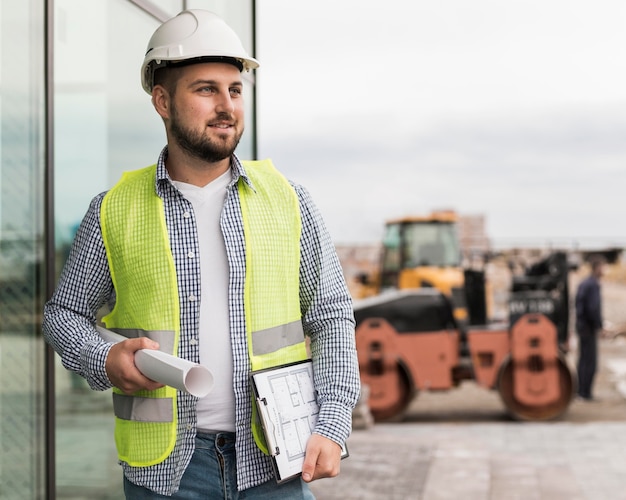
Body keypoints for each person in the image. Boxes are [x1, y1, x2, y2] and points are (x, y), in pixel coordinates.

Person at [43, 9, 360, 499]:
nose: (226, 105)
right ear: (162, 101)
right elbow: (63, 316)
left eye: (234, 90)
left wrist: (333, 421)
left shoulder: (290, 202)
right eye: (206, 89)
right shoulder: (113, 211)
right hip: (169, 472)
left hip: (276, 463)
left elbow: (332, 315)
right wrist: (105, 358)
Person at [575, 256, 605, 401]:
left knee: (583, 360)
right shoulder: (592, 285)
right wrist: (599, 325)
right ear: (596, 268)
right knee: (590, 361)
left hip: (582, 326)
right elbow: (593, 308)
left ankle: (581, 391)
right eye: (602, 267)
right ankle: (585, 392)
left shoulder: (585, 283)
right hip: (588, 327)